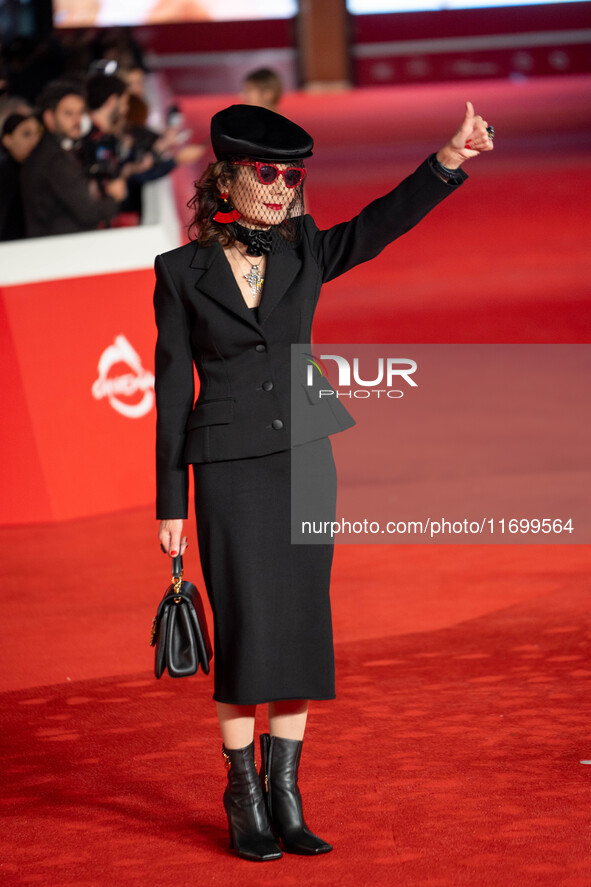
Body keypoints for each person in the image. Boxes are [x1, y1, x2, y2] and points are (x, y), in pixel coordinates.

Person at [153, 101, 494, 862]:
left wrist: (447, 159)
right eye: (265, 172)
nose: (279, 187)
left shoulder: (306, 246)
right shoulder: (178, 272)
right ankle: (242, 796)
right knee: (245, 627)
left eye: (291, 176)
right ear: (228, 177)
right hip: (226, 465)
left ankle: (286, 793)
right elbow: (173, 388)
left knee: (302, 622)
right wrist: (168, 500)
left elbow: (379, 223)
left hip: (306, 456)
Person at [21, 79, 126, 237]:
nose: (77, 120)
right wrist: (114, 196)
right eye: (69, 113)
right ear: (49, 117)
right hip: (62, 250)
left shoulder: (50, 154)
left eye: (80, 112)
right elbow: (89, 214)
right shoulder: (56, 161)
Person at [0, 113, 41, 241]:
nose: (34, 140)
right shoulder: (4, 175)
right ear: (7, 140)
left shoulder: (39, 171)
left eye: (38, 133)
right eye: (26, 134)